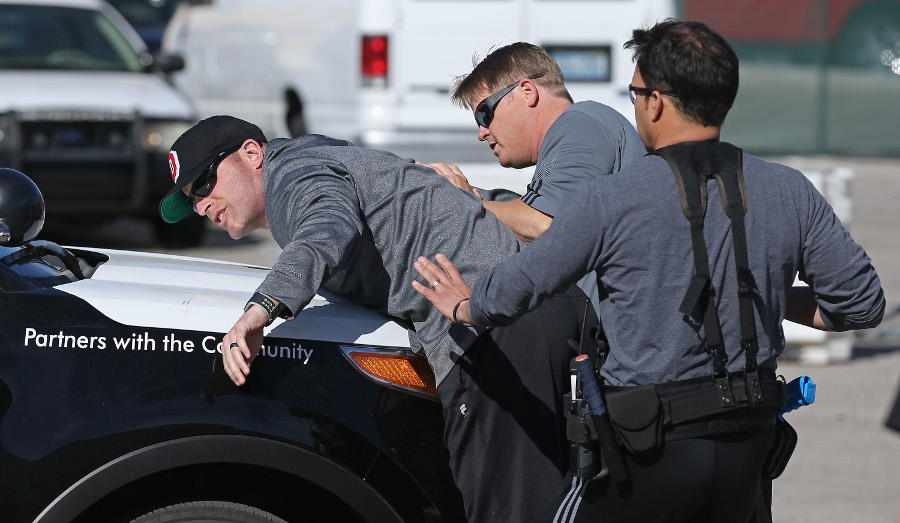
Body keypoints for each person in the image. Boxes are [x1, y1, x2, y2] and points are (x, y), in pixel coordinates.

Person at [412, 20, 886, 522]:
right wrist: (757, 292)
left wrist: (466, 304)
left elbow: (526, 282)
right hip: (749, 444)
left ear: (655, 102)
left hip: (650, 451)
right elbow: (860, 305)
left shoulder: (616, 198)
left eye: (635, 93)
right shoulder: (791, 190)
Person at [158, 115, 598, 522]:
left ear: (252, 154)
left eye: (203, 182)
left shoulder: (291, 175)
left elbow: (327, 226)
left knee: (508, 509)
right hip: (521, 313)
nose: (200, 205)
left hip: (498, 324)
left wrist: (261, 310)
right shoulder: (319, 158)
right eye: (190, 201)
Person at [424, 42, 644, 318]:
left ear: (527, 91)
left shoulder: (580, 122)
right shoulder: (573, 133)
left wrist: (464, 200)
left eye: (484, 113)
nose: (482, 132)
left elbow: (548, 225)